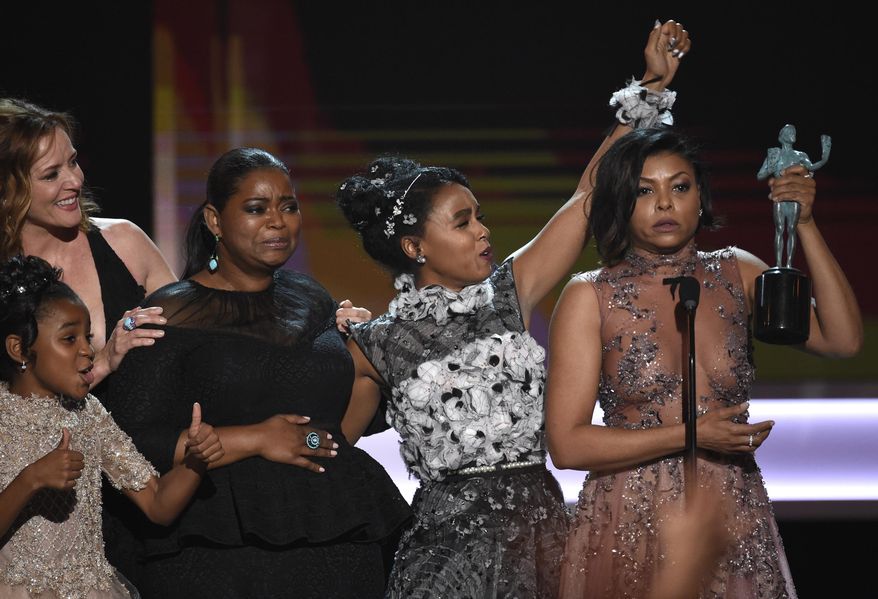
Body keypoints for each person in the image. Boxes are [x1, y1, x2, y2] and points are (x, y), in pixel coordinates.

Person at [336, 20, 692, 599]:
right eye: (462, 222)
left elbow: (587, 196)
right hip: (445, 561)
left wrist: (648, 90)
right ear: (414, 247)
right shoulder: (372, 343)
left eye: (479, 216)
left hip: (543, 540)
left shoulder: (508, 293)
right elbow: (330, 450)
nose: (483, 231)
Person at [545, 127, 862, 598]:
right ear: (620, 202)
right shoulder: (589, 295)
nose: (665, 204)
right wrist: (693, 435)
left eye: (680, 186)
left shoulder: (739, 270)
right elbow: (567, 446)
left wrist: (804, 223)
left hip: (728, 509)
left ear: (700, 196)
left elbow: (841, 340)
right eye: (644, 191)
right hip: (627, 517)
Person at [102, 147, 411, 599]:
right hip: (221, 550)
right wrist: (255, 438)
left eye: (288, 207)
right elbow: (129, 442)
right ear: (214, 220)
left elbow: (326, 429)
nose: (278, 221)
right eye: (256, 208)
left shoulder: (312, 298)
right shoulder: (171, 313)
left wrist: (362, 348)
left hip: (333, 540)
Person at [0, 254, 223, 599]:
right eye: (69, 339)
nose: (89, 351)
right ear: (19, 349)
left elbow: (158, 504)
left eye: (87, 337)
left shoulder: (89, 413)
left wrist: (195, 461)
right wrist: (31, 479)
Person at [0, 98, 175, 389]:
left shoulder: (125, 242)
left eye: (73, 161)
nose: (75, 180)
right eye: (51, 174)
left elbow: (188, 343)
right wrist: (104, 361)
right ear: (8, 191)